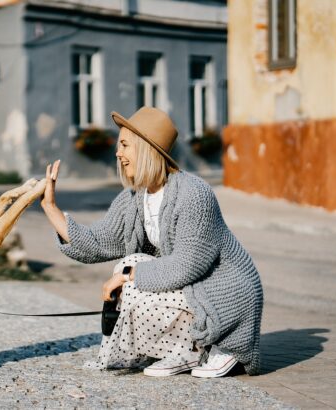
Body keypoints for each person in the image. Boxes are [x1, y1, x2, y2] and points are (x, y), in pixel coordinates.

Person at [40, 107, 263, 377]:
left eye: (124, 145)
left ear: (146, 148)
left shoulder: (194, 194)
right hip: (191, 289)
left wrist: (126, 277)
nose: (117, 153)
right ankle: (181, 350)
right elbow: (98, 242)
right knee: (130, 264)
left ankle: (211, 346)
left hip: (224, 294)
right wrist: (51, 208)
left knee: (130, 272)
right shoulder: (135, 197)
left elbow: (187, 266)